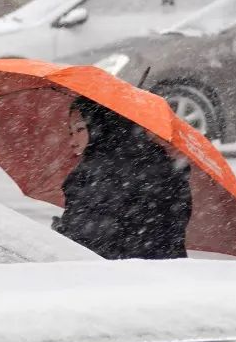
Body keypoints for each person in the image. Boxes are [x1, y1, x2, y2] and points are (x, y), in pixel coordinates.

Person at [52, 97, 191, 259]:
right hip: (165, 271)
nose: (72, 142)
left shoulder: (105, 172)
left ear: (99, 126)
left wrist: (61, 232)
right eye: (70, 132)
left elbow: (91, 237)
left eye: (80, 129)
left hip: (121, 275)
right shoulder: (156, 160)